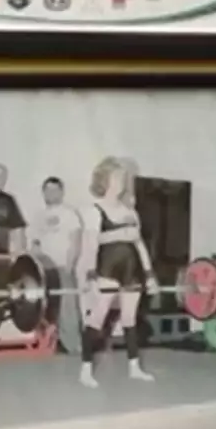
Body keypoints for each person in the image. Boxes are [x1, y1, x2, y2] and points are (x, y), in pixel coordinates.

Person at [77, 156, 158, 388]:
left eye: (123, 177)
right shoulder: (94, 210)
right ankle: (85, 370)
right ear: (105, 179)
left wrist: (149, 274)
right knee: (98, 317)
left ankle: (134, 368)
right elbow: (91, 243)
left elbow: (139, 244)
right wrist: (91, 275)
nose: (121, 181)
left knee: (130, 319)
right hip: (107, 267)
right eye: (116, 177)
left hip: (131, 268)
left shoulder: (131, 211)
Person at [27, 176, 83, 354]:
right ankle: (51, 345)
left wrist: (69, 265)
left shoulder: (69, 213)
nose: (51, 193)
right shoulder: (39, 216)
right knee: (44, 308)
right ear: (43, 193)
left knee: (67, 308)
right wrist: (34, 266)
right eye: (47, 190)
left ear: (61, 192)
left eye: (55, 190)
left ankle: (74, 346)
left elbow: (75, 241)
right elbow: (35, 243)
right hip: (44, 270)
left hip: (62, 266)